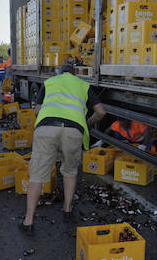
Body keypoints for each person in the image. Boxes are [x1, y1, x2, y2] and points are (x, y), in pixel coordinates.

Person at [20, 62, 105, 235]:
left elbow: (36, 110)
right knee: (69, 171)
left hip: (46, 128)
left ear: (60, 73)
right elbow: (101, 112)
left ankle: (28, 221)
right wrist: (86, 123)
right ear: (75, 74)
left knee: (37, 175)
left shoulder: (50, 82)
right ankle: (67, 210)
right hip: (73, 130)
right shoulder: (83, 85)